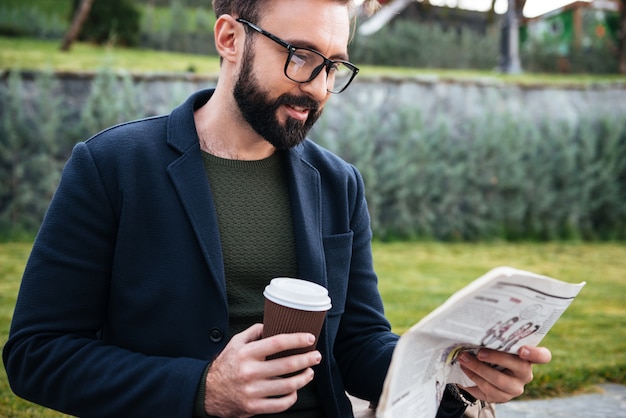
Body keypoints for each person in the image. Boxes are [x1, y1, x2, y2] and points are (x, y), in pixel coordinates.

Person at [2, 0, 552, 417]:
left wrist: (452, 371)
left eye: (334, 65)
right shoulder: (112, 165)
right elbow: (36, 354)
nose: (318, 88)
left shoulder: (339, 183)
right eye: (300, 55)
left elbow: (357, 344)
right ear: (229, 38)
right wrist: (201, 389)